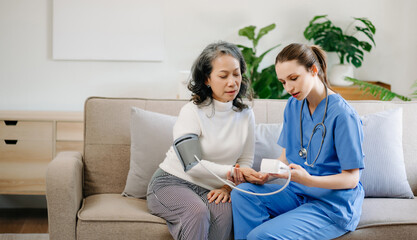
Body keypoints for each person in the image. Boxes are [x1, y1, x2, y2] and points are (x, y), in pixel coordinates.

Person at [231, 43, 365, 240]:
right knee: (243, 194)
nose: (288, 88)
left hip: (331, 204)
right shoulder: (293, 105)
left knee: (260, 236)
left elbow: (352, 179)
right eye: (283, 82)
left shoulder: (343, 116)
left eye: (293, 79)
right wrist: (266, 175)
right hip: (296, 192)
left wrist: (308, 180)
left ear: (313, 70)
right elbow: (286, 158)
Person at [146, 41, 265, 240]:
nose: (232, 82)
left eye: (236, 74)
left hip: (214, 188)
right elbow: (192, 165)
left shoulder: (246, 114)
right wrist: (231, 172)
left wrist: (228, 187)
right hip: (171, 182)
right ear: (207, 79)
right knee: (197, 212)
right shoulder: (192, 112)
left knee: (224, 214)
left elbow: (245, 160)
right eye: (223, 75)